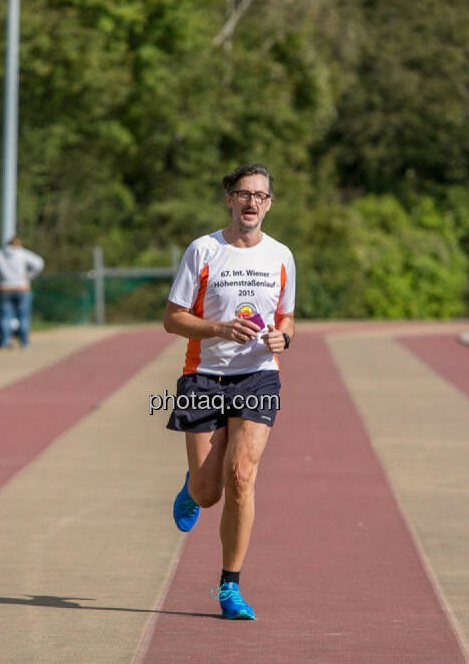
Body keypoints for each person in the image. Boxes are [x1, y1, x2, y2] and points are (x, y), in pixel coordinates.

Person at [162, 163, 296, 620]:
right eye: (243, 193)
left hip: (258, 376)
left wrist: (284, 337)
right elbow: (172, 318)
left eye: (260, 195)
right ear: (229, 199)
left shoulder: (281, 255)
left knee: (241, 477)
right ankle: (191, 487)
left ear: (269, 204)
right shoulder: (203, 250)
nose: (251, 202)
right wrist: (218, 328)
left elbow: (287, 317)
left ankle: (229, 585)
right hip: (203, 377)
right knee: (208, 492)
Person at [0, 236, 45, 348]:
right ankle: (24, 342)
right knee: (23, 317)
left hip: (5, 288)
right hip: (22, 288)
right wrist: (29, 276)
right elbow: (39, 263)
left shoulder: (0, 254)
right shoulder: (22, 253)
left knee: (6, 317)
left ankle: (5, 342)